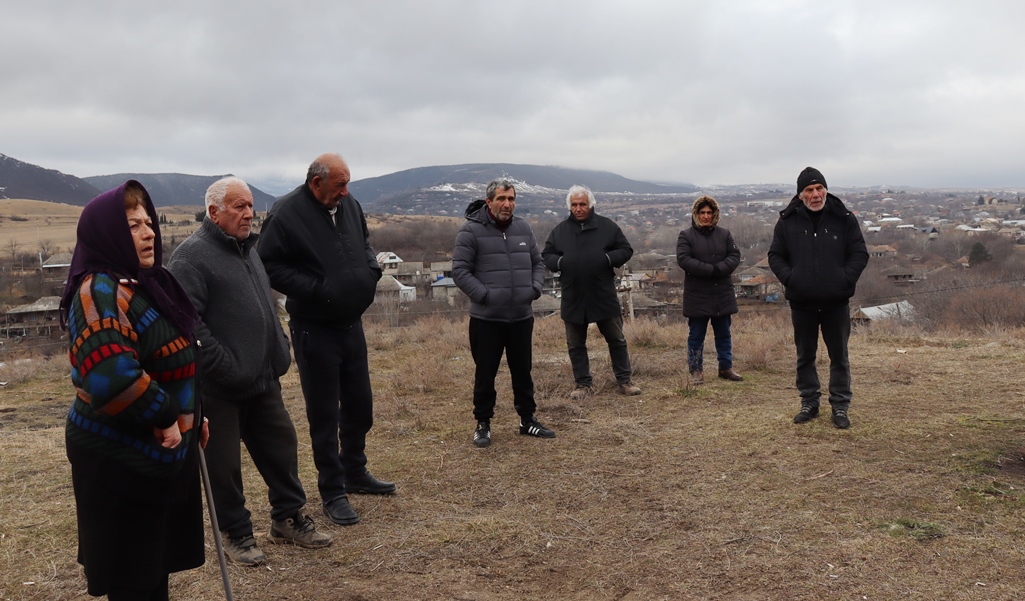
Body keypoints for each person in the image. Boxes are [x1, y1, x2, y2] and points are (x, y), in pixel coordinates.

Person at [168, 177, 331, 566]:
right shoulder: (189, 258)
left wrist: (279, 346)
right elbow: (187, 325)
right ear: (214, 212)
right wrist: (223, 364)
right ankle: (236, 533)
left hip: (262, 380)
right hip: (219, 387)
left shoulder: (249, 251)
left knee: (282, 448)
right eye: (239, 206)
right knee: (224, 467)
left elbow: (266, 305)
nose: (249, 213)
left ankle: (288, 518)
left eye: (250, 205)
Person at [60, 180, 208, 600]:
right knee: (134, 580)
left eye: (149, 223)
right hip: (119, 462)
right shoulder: (98, 291)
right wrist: (166, 415)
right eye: (133, 225)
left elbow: (175, 356)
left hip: (156, 459)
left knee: (152, 573)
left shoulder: (144, 283)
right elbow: (110, 375)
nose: (149, 233)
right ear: (106, 233)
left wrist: (196, 413)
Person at [258, 153, 395, 527]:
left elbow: (363, 241)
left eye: (347, 184)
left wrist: (371, 270)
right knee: (324, 414)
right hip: (314, 328)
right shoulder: (286, 214)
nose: (346, 192)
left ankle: (355, 472)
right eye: (340, 185)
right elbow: (268, 265)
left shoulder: (350, 205)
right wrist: (317, 288)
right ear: (316, 183)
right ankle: (332, 491)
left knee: (360, 405)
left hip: (350, 324)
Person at [452, 179, 555, 448]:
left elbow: (538, 263)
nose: (507, 204)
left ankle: (527, 420)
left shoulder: (523, 228)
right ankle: (482, 423)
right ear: (489, 202)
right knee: (485, 373)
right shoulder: (471, 231)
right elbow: (460, 271)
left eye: (511, 199)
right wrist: (486, 295)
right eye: (501, 199)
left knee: (523, 371)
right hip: (486, 319)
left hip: (521, 316)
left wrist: (534, 289)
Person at [768, 167, 869, 429]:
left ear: (826, 189)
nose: (816, 194)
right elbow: (775, 256)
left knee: (839, 356)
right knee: (805, 355)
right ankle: (809, 403)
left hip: (836, 301)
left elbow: (859, 253)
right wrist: (792, 279)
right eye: (809, 190)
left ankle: (840, 405)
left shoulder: (843, 218)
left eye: (819, 188)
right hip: (802, 302)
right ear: (800, 194)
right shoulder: (788, 221)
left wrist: (844, 279)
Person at [542, 185, 640, 399]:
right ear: (569, 206)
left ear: (591, 205)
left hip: (603, 293)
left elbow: (626, 250)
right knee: (575, 344)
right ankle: (583, 384)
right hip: (573, 295)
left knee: (617, 340)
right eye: (574, 205)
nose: (578, 208)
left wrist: (607, 259)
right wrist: (561, 262)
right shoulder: (560, 231)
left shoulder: (607, 227)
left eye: (582, 204)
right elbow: (546, 255)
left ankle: (624, 381)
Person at [675, 195, 743, 385]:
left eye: (709, 212)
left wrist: (720, 269)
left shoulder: (724, 234)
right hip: (697, 294)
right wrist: (709, 270)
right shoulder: (686, 235)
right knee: (696, 335)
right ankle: (696, 370)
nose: (706, 216)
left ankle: (725, 368)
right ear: (696, 214)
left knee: (724, 333)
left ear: (715, 214)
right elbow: (684, 259)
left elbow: (735, 255)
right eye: (702, 212)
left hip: (722, 292)